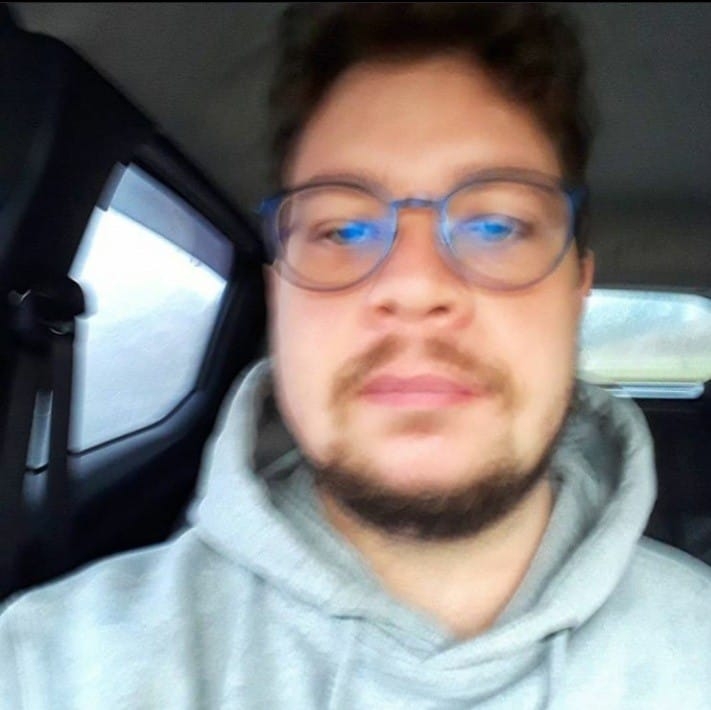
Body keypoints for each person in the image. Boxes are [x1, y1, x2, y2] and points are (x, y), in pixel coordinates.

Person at [1, 3, 709, 708]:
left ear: (577, 291)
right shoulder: (47, 666)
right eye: (341, 230)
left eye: (496, 226)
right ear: (278, 294)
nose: (414, 286)